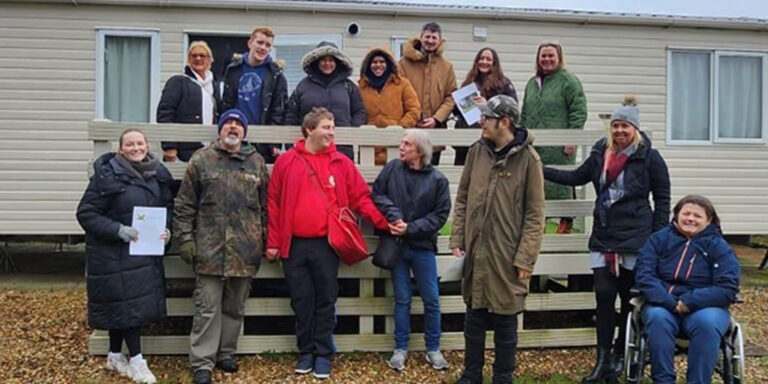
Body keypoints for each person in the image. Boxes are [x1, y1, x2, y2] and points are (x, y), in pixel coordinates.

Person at [542, 96, 670, 384]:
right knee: (602, 296)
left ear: (634, 129)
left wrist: (657, 240)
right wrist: (542, 170)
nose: (619, 131)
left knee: (628, 298)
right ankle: (602, 360)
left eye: (625, 126)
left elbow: (662, 200)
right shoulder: (601, 152)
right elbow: (578, 176)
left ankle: (620, 356)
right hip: (604, 235)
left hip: (636, 238)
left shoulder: (649, 157)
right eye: (615, 126)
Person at [266, 107, 390, 380]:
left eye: (332, 128)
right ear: (309, 130)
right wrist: (273, 242)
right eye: (326, 127)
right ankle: (305, 352)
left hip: (327, 244)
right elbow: (273, 204)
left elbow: (361, 198)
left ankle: (323, 354)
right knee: (301, 301)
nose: (331, 133)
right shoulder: (286, 162)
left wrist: (383, 223)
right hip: (294, 244)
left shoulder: (341, 162)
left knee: (326, 299)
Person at [449, 95, 546, 384]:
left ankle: (503, 377)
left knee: (505, 322)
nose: (482, 122)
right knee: (474, 318)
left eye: (487, 118)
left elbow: (535, 214)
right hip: (477, 250)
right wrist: (458, 238)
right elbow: (463, 197)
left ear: (504, 122)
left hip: (508, 254)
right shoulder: (476, 151)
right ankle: (471, 375)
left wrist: (526, 258)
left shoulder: (529, 160)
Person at [172, 109, 269, 384]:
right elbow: (184, 205)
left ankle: (225, 353)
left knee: (235, 307)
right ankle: (202, 363)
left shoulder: (256, 162)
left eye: (239, 124)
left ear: (244, 132)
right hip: (209, 249)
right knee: (207, 308)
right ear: (220, 129)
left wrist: (266, 239)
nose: (233, 127)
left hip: (245, 249)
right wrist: (186, 240)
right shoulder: (201, 161)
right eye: (229, 123)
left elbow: (266, 207)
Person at [77, 128, 174, 384]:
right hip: (113, 252)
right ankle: (138, 361)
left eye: (139, 143)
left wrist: (166, 230)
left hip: (143, 252)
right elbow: (86, 213)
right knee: (128, 305)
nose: (135, 148)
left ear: (147, 146)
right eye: (129, 144)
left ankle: (114, 355)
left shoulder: (158, 175)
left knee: (126, 304)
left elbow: (167, 207)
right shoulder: (106, 176)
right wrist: (117, 230)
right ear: (121, 149)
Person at [635, 195, 740, 384]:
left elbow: (727, 287)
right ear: (676, 215)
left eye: (698, 216)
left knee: (707, 323)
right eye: (686, 213)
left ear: (709, 221)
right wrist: (671, 302)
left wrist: (688, 302)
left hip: (705, 306)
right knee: (657, 318)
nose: (690, 219)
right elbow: (644, 275)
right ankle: (663, 380)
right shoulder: (658, 239)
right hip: (664, 303)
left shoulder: (719, 247)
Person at [371, 130, 451, 371]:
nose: (401, 147)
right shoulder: (392, 168)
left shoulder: (438, 180)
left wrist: (411, 228)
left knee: (431, 300)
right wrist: (394, 216)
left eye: (407, 144)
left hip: (423, 248)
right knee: (402, 299)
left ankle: (433, 349)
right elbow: (377, 194)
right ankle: (400, 349)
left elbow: (440, 215)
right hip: (397, 248)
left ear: (420, 150)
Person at [521, 41, 587, 234]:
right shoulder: (531, 84)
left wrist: (571, 138)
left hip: (559, 148)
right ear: (538, 59)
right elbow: (525, 114)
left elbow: (579, 110)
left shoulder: (569, 81)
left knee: (561, 183)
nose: (547, 59)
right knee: (536, 184)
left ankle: (565, 225)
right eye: (544, 56)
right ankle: (538, 227)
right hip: (535, 146)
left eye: (551, 56)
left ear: (559, 58)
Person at [285, 42, 366, 161]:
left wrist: (349, 130)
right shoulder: (302, 86)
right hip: (310, 149)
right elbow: (291, 114)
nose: (327, 63)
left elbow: (360, 111)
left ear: (337, 62)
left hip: (342, 149)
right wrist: (290, 145)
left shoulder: (348, 86)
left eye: (331, 60)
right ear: (316, 61)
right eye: (323, 60)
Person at [221, 27, 288, 164]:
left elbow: (278, 111)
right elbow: (226, 103)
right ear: (250, 43)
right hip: (235, 134)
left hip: (263, 141)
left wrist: (274, 142)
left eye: (267, 45)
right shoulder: (233, 69)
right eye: (260, 42)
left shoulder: (276, 75)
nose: (263, 48)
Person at [399, 22, 457, 166]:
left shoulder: (447, 67)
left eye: (434, 38)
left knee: (431, 174)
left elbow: (451, 96)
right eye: (427, 37)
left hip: (435, 132)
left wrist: (437, 119)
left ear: (439, 41)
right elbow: (399, 92)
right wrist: (413, 115)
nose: (430, 41)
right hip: (410, 129)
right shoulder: (403, 64)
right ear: (421, 37)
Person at [157, 41, 221, 163]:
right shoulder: (178, 82)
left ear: (210, 60)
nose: (198, 58)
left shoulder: (214, 85)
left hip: (210, 150)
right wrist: (169, 145)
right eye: (194, 55)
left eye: (202, 55)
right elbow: (165, 113)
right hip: (184, 150)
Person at [453, 47, 517, 166]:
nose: (484, 61)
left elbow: (511, 110)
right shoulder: (468, 83)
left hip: (491, 139)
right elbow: (457, 112)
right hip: (466, 140)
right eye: (481, 58)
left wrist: (487, 105)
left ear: (494, 63)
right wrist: (458, 103)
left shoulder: (504, 84)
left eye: (488, 59)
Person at [358, 47, 420, 165]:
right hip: (369, 144)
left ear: (389, 64)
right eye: (374, 62)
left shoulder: (402, 84)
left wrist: (399, 127)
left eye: (382, 62)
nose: (378, 65)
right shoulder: (361, 87)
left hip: (396, 143)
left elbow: (414, 109)